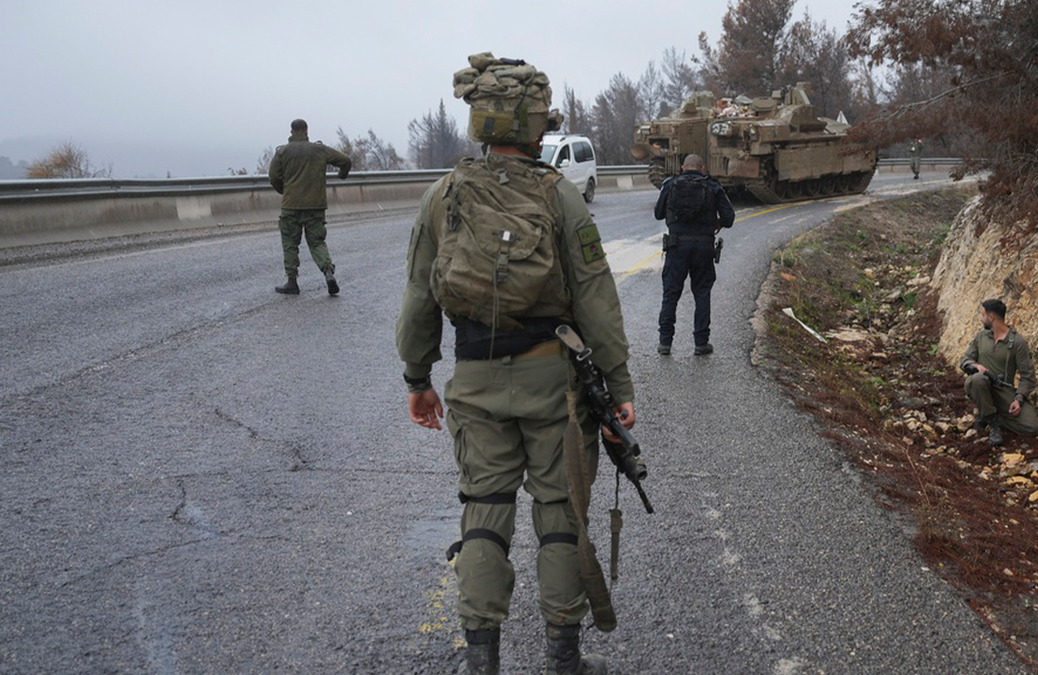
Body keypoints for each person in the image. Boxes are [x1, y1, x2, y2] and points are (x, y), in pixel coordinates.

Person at [396, 53, 635, 675]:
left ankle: (482, 661)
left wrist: (418, 378)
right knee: (559, 515)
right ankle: (563, 658)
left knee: (483, 511)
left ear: (480, 123)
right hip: (553, 382)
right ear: (536, 128)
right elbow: (596, 297)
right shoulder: (561, 198)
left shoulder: (441, 195)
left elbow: (420, 297)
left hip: (474, 380)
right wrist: (619, 383)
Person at [653, 154, 735, 356]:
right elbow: (729, 218)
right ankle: (701, 343)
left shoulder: (670, 184)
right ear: (702, 169)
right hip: (703, 247)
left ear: (682, 168)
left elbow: (658, 213)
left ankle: (665, 343)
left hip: (676, 246)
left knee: (671, 294)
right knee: (702, 293)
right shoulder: (713, 186)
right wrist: (717, 223)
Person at [267, 118, 352, 295]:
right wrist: (342, 175)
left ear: (291, 132)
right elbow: (345, 160)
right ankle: (328, 272)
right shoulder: (319, 150)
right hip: (315, 206)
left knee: (290, 243)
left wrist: (285, 191)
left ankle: (292, 282)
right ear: (307, 131)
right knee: (317, 242)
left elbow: (273, 176)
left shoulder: (282, 152)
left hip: (291, 206)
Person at [960, 299, 1038, 446]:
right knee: (977, 380)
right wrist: (976, 366)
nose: (980, 318)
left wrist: (1018, 399)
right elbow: (965, 359)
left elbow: (1027, 376)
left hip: (1004, 391)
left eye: (982, 314)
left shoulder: (1017, 343)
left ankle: (988, 413)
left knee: (1032, 427)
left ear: (991, 317)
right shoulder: (981, 337)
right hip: (980, 387)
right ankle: (993, 425)